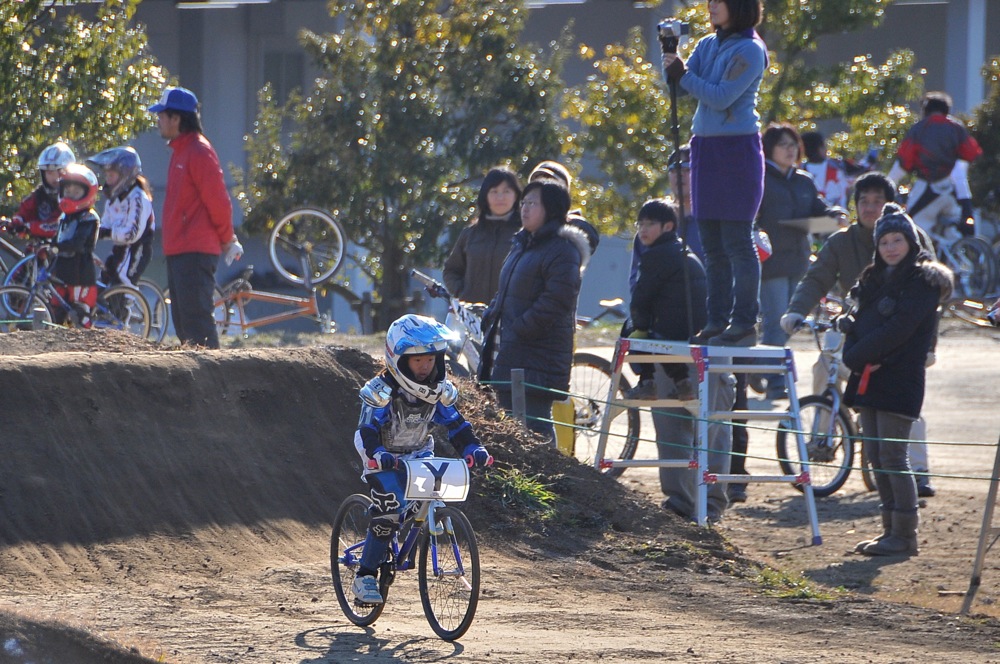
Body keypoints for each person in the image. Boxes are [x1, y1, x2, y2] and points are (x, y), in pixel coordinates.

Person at [780, 172, 939, 497]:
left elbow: (932, 298)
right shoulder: (841, 241)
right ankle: (821, 441)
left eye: (877, 201)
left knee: (903, 403)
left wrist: (929, 346)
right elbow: (816, 277)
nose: (870, 208)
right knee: (824, 367)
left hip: (901, 340)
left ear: (892, 206)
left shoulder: (915, 238)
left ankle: (919, 470)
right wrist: (796, 310)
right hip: (855, 331)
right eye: (863, 201)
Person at [351, 313, 492, 604]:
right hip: (381, 452)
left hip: (417, 451)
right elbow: (368, 430)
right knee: (390, 509)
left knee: (430, 496)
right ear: (399, 359)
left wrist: (473, 449)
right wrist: (378, 453)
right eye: (417, 360)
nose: (425, 366)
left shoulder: (439, 391)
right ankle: (364, 576)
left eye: (430, 359)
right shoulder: (381, 391)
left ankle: (408, 540)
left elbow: (457, 426)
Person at [840, 204, 952, 557]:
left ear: (911, 241)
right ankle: (889, 530)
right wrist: (850, 335)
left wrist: (856, 353)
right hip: (869, 378)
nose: (891, 246)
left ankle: (904, 535)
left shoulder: (922, 282)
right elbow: (863, 323)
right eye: (884, 240)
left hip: (900, 378)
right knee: (874, 455)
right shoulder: (873, 279)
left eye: (897, 239)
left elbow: (898, 330)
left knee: (893, 455)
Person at [662, 0, 768, 347]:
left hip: (737, 150)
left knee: (738, 242)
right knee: (710, 242)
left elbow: (721, 97)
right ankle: (716, 320)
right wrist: (672, 59)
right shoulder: (708, 44)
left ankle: (744, 322)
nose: (711, 6)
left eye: (719, 1)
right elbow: (680, 86)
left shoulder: (751, 50)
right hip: (705, 147)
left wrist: (684, 74)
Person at [480, 179, 590, 445]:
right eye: (524, 202)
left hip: (537, 357)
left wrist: (519, 328)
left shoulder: (562, 250)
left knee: (535, 428)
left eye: (533, 203)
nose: (525, 209)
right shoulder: (523, 245)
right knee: (514, 426)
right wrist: (491, 316)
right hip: (512, 352)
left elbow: (556, 301)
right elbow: (505, 291)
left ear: (551, 209)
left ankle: (549, 484)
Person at [756, 123, 846, 400]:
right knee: (774, 323)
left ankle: (755, 367)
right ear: (769, 148)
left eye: (793, 144)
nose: (790, 149)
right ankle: (774, 382)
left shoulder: (803, 180)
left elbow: (818, 209)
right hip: (770, 263)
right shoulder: (759, 178)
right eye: (783, 144)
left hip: (798, 262)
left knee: (790, 324)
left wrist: (835, 214)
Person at [149, 86, 243, 349]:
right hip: (180, 249)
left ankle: (216, 384)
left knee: (197, 323)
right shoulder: (181, 151)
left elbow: (218, 201)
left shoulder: (199, 151)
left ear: (176, 119)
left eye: (162, 115)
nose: (158, 120)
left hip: (195, 250)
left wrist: (227, 238)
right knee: (183, 323)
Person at [624, 198, 706, 401]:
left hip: (670, 328)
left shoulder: (656, 256)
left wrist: (639, 327)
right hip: (694, 326)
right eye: (640, 224)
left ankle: (647, 382)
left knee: (633, 329)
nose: (643, 229)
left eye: (650, 224)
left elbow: (640, 299)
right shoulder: (686, 252)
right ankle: (683, 383)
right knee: (662, 336)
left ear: (668, 226)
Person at [887, 91, 982, 237]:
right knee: (952, 234)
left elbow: (903, 164)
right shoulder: (957, 128)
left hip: (927, 188)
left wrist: (887, 185)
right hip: (953, 192)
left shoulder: (920, 128)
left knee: (912, 228)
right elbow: (970, 155)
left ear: (925, 109)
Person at [442, 167, 521, 305]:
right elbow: (451, 270)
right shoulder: (470, 233)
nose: (500, 197)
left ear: (516, 195)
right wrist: (461, 292)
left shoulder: (525, 234)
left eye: (506, 191)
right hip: (471, 318)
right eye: (494, 191)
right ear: (485, 195)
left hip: (510, 317)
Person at [87, 147, 155, 288]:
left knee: (121, 281)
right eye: (106, 176)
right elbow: (106, 223)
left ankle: (125, 308)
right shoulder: (114, 198)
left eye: (111, 175)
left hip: (138, 249)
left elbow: (132, 233)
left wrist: (109, 232)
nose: (107, 180)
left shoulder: (138, 198)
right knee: (104, 280)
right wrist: (93, 232)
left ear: (125, 175)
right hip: (121, 249)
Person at [51, 164, 101, 327]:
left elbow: (78, 244)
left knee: (80, 314)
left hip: (81, 274)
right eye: (67, 192)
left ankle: (89, 345)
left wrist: (58, 247)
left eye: (76, 193)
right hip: (62, 271)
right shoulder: (64, 217)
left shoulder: (89, 218)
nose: (70, 196)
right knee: (56, 309)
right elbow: (57, 238)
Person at [10, 142, 76, 241]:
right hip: (42, 246)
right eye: (49, 173)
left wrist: (29, 227)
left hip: (66, 248)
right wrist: (16, 221)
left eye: (57, 172)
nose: (53, 177)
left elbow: (59, 226)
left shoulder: (74, 197)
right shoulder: (39, 194)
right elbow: (26, 210)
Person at [800, 131, 851, 210]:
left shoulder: (837, 165)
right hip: (824, 218)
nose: (826, 149)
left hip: (836, 217)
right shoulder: (837, 166)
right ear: (819, 149)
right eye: (824, 146)